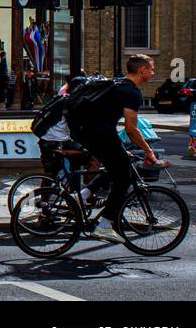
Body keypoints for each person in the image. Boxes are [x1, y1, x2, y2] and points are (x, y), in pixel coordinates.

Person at [69, 54, 160, 241]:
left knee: (119, 165)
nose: (153, 72)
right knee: (124, 179)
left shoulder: (118, 84)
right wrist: (148, 150)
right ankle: (104, 224)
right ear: (142, 70)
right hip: (99, 134)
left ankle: (83, 195)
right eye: (151, 69)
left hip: (87, 132)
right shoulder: (131, 92)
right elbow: (131, 129)